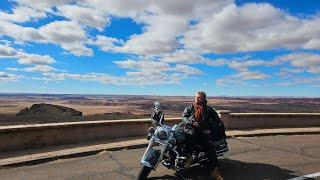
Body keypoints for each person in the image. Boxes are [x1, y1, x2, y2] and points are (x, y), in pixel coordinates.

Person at [182, 91, 224, 180]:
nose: (196, 99)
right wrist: (192, 122)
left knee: (209, 148)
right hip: (190, 130)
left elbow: (217, 121)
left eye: (199, 97)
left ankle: (215, 171)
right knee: (187, 136)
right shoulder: (189, 108)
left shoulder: (208, 110)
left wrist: (210, 130)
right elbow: (184, 118)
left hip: (202, 132)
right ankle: (188, 156)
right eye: (196, 97)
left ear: (203, 99)